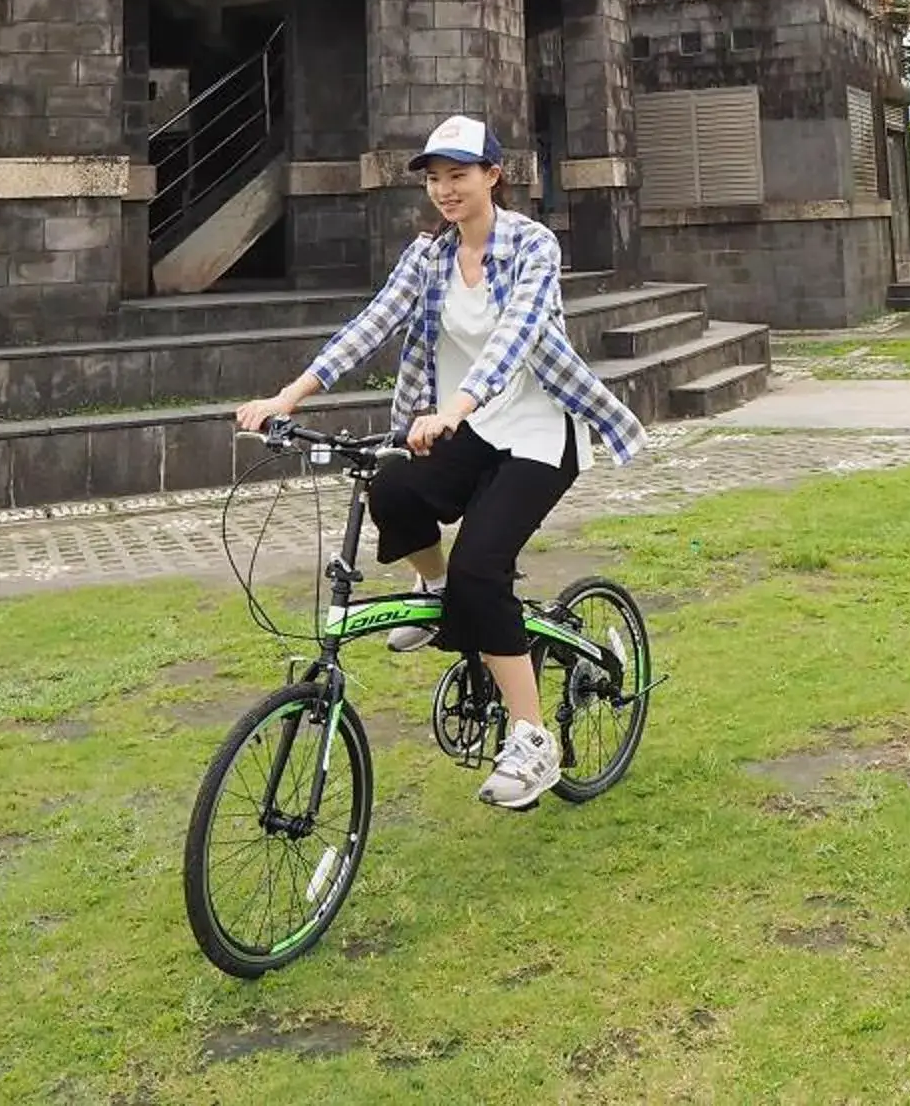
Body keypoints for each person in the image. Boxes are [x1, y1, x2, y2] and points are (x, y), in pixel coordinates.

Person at [235, 115, 647, 811]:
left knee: (482, 570)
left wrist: (455, 407)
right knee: (391, 487)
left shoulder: (531, 246)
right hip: (469, 426)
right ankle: (435, 592)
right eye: (434, 178)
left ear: (493, 175)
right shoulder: (427, 256)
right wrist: (291, 395)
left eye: (459, 174)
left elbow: (514, 339)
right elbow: (371, 324)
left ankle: (532, 738)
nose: (445, 190)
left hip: (538, 434)